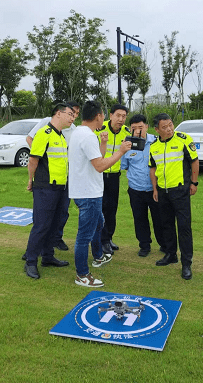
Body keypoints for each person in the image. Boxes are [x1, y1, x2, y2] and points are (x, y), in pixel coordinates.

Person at [69, 100, 131, 287]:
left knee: (99, 223)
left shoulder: (82, 133)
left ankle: (98, 256)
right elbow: (100, 166)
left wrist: (103, 142)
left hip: (88, 190)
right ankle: (82, 275)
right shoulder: (87, 136)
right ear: (98, 116)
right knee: (84, 235)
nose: (104, 117)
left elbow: (98, 158)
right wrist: (120, 151)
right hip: (88, 193)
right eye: (103, 114)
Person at [23, 103, 75, 279]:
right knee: (41, 225)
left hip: (62, 187)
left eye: (74, 115)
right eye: (70, 114)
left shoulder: (60, 136)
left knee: (55, 223)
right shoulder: (44, 134)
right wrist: (31, 180)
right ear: (58, 114)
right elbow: (33, 160)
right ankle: (30, 261)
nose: (73, 118)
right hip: (45, 187)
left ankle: (48, 256)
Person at [149, 113, 199, 280]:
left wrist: (194, 183)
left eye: (170, 125)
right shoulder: (153, 146)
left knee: (184, 227)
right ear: (156, 129)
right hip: (163, 192)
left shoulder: (183, 139)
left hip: (181, 191)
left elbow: (194, 161)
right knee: (167, 225)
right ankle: (171, 255)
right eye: (165, 127)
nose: (169, 129)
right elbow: (153, 168)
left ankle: (186, 263)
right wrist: (155, 188)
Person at [120, 114, 165, 257]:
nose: (138, 131)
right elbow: (124, 165)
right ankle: (144, 246)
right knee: (139, 218)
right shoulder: (127, 145)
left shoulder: (157, 142)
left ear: (146, 126)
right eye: (134, 128)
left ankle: (164, 244)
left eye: (140, 127)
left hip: (155, 189)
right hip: (135, 189)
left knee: (160, 218)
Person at [95, 104, 131, 255]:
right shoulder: (99, 129)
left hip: (115, 176)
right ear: (110, 116)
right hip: (99, 175)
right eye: (118, 115)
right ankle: (101, 241)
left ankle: (108, 238)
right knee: (100, 209)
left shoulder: (126, 132)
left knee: (112, 209)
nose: (121, 119)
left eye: (124, 116)